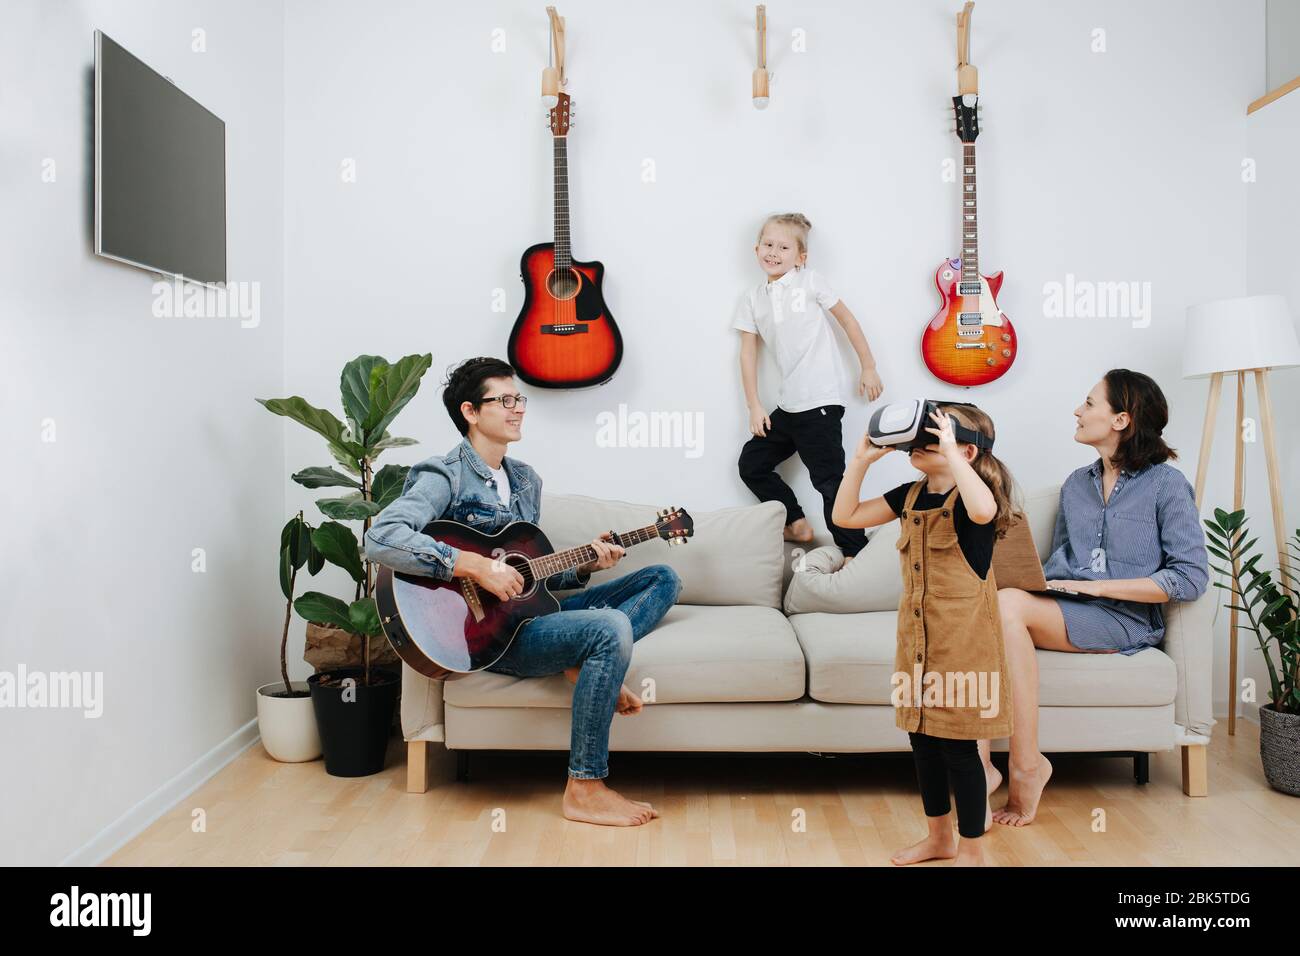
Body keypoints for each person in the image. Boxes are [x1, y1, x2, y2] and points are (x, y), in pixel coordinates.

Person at [365, 357, 682, 827]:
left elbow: (530, 578)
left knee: (663, 579)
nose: (518, 409)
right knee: (610, 626)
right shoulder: (443, 474)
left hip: (529, 615)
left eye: (520, 400)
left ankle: (586, 660)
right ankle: (585, 786)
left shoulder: (527, 480)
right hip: (488, 635)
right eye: (505, 400)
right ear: (471, 411)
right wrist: (472, 565)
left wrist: (584, 565)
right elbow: (382, 537)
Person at [980, 369, 1209, 826]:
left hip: (1125, 618)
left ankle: (1024, 765)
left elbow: (1190, 576)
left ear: (1121, 419)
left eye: (1088, 404)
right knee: (996, 601)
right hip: (1070, 608)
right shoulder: (1076, 485)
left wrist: (1098, 587)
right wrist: (1034, 577)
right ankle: (982, 765)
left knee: (1006, 607)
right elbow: (1065, 560)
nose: (1077, 412)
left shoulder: (1167, 485)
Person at [833, 403, 1018, 866]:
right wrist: (859, 460)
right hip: (916, 640)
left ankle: (973, 851)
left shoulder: (975, 499)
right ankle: (939, 838)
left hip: (963, 644)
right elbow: (845, 516)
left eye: (932, 438)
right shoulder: (909, 495)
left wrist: (956, 455)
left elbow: (982, 507)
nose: (918, 446)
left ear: (965, 449)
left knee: (959, 749)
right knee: (922, 742)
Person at [735, 212, 884, 561]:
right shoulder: (753, 298)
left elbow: (848, 320)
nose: (774, 252)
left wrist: (869, 367)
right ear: (757, 248)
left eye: (784, 247)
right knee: (752, 463)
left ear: (800, 257)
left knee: (829, 481)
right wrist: (754, 405)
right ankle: (796, 522)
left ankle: (853, 550)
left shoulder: (810, 282)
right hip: (788, 407)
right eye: (768, 245)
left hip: (819, 404)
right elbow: (746, 354)